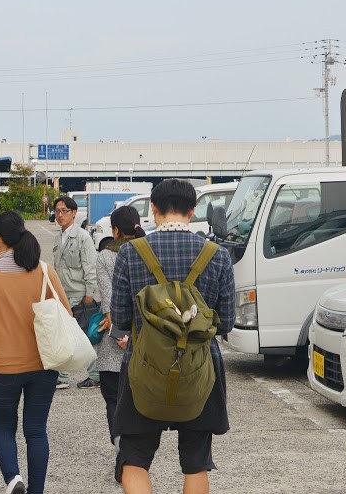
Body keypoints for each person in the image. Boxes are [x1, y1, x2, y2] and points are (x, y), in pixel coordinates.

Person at [111, 179, 235, 494]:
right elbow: (226, 323)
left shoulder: (129, 253)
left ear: (153, 209)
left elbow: (122, 320)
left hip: (144, 367)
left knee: (134, 459)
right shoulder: (216, 255)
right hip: (200, 369)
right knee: (196, 461)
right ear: (193, 211)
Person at [0, 211, 71, 494]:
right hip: (44, 366)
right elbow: (66, 315)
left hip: (2, 369)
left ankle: (13, 479)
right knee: (36, 431)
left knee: (3, 427)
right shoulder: (45, 271)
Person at [94, 206, 141, 463]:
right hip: (143, 339)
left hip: (114, 339)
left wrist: (119, 335)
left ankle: (120, 442)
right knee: (137, 398)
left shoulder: (105, 257)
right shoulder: (147, 253)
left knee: (113, 397)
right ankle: (134, 447)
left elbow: (110, 301)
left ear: (114, 230)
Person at [51, 195, 98, 390]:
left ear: (74, 213)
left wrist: (89, 296)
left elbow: (90, 268)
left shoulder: (82, 237)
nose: (60, 215)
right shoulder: (58, 237)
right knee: (65, 335)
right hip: (62, 294)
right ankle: (63, 377)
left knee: (83, 336)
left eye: (64, 211)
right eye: (57, 211)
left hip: (79, 295)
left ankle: (93, 375)